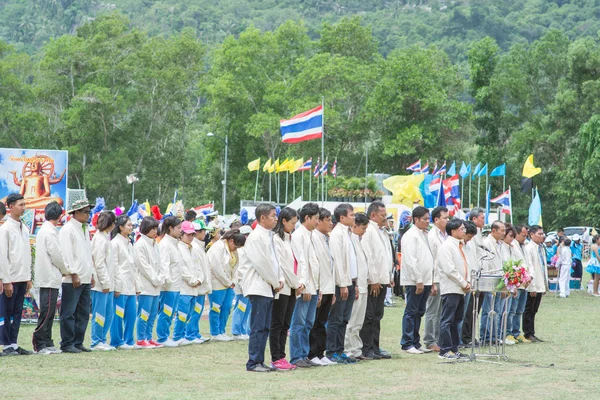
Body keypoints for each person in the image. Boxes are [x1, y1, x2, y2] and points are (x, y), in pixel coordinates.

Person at [242, 204, 283, 372]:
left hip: (267, 286)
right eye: (273, 215)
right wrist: (275, 281)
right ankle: (253, 362)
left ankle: (260, 360)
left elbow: (274, 261)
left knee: (265, 326)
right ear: (263, 218)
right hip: (259, 286)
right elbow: (262, 264)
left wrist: (278, 280)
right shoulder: (256, 237)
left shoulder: (268, 235)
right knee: (259, 326)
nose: (276, 218)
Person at [59, 198, 95, 353]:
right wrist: (73, 273)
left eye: (89, 212)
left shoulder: (84, 228)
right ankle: (67, 343)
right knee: (69, 312)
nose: (88, 215)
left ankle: (78, 341)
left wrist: (91, 274)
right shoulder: (68, 229)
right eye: (86, 212)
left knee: (83, 312)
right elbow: (66, 254)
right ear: (76, 213)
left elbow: (88, 254)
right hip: (72, 278)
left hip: (85, 276)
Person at [32, 201, 67, 355]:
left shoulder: (46, 230)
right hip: (48, 276)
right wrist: (65, 269)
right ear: (60, 216)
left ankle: (47, 341)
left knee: (51, 312)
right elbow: (56, 255)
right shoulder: (49, 232)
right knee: (47, 311)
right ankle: (39, 341)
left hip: (49, 276)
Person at [359, 201, 393, 360]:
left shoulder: (383, 231)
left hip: (383, 279)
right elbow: (369, 257)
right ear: (373, 215)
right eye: (382, 215)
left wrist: (388, 276)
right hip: (374, 281)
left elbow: (385, 256)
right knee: (370, 316)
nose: (385, 218)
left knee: (378, 316)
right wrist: (373, 279)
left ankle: (375, 346)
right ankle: (367, 348)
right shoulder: (369, 230)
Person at [0, 193, 33, 356]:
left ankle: (13, 343)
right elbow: (3, 256)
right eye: (21, 205)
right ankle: (6, 345)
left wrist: (28, 277)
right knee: (6, 312)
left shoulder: (25, 228)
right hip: (11, 278)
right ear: (11, 207)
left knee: (17, 311)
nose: (24, 208)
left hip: (22, 277)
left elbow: (27, 254)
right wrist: (6, 281)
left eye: (24, 204)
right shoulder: (5, 229)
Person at [289, 203, 321, 368]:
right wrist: (306, 287)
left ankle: (304, 353)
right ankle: (296, 356)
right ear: (307, 218)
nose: (317, 222)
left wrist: (317, 287)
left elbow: (315, 264)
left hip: (313, 285)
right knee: (299, 322)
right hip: (305, 286)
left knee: (308, 322)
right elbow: (301, 263)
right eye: (315, 218)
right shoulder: (298, 235)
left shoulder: (311, 235)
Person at [400, 206, 434, 354]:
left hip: (426, 279)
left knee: (420, 311)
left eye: (428, 218)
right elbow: (410, 260)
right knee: (411, 311)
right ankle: (407, 343)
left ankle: (415, 341)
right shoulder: (410, 235)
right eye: (425, 219)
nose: (427, 221)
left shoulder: (424, 234)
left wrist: (429, 280)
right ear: (416, 219)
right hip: (415, 281)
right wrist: (418, 280)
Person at [326, 204, 358, 364]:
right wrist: (343, 284)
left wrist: (355, 283)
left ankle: (340, 350)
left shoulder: (348, 233)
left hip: (351, 282)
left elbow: (352, 260)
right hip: (341, 284)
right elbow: (338, 261)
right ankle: (332, 352)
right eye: (351, 215)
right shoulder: (337, 234)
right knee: (336, 319)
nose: (354, 218)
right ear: (342, 217)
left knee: (344, 319)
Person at [270, 207, 300, 371]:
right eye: (292, 223)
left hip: (293, 287)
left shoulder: (290, 239)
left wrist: (299, 283)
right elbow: (283, 265)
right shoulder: (276, 239)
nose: (294, 226)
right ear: (284, 221)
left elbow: (297, 262)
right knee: (278, 323)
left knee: (286, 324)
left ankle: (282, 356)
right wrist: (296, 283)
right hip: (283, 287)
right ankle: (276, 357)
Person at [437, 219, 471, 360]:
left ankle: (454, 348)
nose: (464, 231)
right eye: (461, 229)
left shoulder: (459, 246)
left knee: (457, 320)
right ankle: (444, 350)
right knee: (447, 320)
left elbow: (464, 266)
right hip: (451, 288)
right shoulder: (447, 246)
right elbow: (449, 269)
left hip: (460, 288)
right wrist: (464, 283)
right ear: (453, 231)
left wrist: (467, 282)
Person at [308, 208, 336, 366]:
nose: (331, 224)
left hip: (328, 287)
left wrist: (332, 291)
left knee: (322, 323)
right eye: (328, 220)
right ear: (318, 221)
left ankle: (320, 352)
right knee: (314, 323)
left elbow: (330, 265)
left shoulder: (327, 239)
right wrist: (319, 289)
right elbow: (315, 265)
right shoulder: (314, 238)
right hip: (319, 287)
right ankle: (312, 353)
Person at [207, 229, 245, 341]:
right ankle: (215, 332)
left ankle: (222, 331)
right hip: (217, 283)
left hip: (229, 284)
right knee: (216, 308)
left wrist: (232, 282)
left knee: (227, 307)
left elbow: (236, 266)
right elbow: (216, 267)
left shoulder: (234, 251)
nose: (236, 249)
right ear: (231, 241)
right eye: (236, 246)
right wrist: (228, 282)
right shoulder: (218, 247)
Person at [173, 221, 206, 345]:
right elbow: (181, 269)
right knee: (181, 313)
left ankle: (186, 335)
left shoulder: (192, 248)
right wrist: (193, 280)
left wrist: (200, 279)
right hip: (184, 287)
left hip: (194, 288)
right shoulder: (179, 248)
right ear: (181, 235)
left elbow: (198, 266)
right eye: (188, 234)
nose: (191, 237)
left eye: (192, 234)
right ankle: (177, 336)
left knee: (190, 313)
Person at [344, 212, 370, 361]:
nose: (364, 232)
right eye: (363, 228)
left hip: (363, 285)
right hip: (357, 286)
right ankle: (348, 349)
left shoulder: (359, 240)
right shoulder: (351, 240)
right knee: (351, 321)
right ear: (355, 226)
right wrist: (356, 285)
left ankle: (356, 349)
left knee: (358, 322)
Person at [135, 216, 164, 348]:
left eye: (155, 228)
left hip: (156, 285)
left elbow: (160, 263)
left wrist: (161, 277)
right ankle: (141, 338)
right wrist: (156, 279)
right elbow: (144, 266)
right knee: (144, 313)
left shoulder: (155, 244)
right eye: (152, 228)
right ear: (145, 229)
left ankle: (149, 336)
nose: (154, 231)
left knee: (152, 314)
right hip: (145, 285)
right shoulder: (140, 244)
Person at [90, 211, 117, 351]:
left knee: (108, 314)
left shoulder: (106, 238)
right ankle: (96, 340)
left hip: (108, 284)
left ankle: (102, 339)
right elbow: (99, 263)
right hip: (101, 285)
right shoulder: (99, 239)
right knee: (99, 314)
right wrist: (105, 283)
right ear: (111, 224)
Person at [423, 206, 449, 352]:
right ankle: (429, 340)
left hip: (445, 278)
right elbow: (431, 260)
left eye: (448, 217)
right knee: (432, 311)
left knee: (441, 312)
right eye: (445, 218)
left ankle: (439, 339)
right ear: (436, 219)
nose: (447, 220)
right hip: (436, 278)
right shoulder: (432, 236)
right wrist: (432, 281)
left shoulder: (446, 235)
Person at [156, 216, 184, 347]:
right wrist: (167, 282)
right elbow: (164, 264)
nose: (180, 231)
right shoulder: (165, 244)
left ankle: (166, 335)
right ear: (170, 228)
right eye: (178, 228)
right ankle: (162, 337)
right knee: (166, 312)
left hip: (176, 285)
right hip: (169, 286)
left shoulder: (175, 243)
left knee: (171, 312)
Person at [461, 208, 486, 346]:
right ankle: (465, 337)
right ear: (474, 219)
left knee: (474, 310)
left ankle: (470, 335)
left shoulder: (479, 234)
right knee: (468, 310)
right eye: (482, 218)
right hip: (471, 277)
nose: (484, 220)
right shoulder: (469, 235)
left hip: (478, 274)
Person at [479, 221, 506, 345]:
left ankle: (494, 336)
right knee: (487, 310)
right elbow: (485, 265)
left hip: (499, 281)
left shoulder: (500, 244)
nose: (504, 233)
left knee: (497, 310)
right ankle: (485, 336)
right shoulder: (486, 243)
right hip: (489, 280)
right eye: (501, 230)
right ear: (493, 231)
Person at [505, 224, 531, 344]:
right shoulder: (513, 245)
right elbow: (515, 264)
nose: (525, 237)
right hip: (516, 282)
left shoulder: (524, 245)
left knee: (520, 310)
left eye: (526, 235)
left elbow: (527, 264)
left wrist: (529, 277)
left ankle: (516, 332)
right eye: (523, 235)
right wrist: (519, 279)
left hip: (524, 282)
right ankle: (508, 333)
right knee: (512, 310)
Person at [522, 225, 548, 342]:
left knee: (534, 310)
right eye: (539, 234)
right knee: (529, 310)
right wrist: (532, 286)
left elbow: (543, 267)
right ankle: (527, 333)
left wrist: (544, 285)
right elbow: (529, 267)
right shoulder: (528, 248)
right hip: (532, 284)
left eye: (543, 234)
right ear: (531, 235)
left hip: (540, 283)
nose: (542, 236)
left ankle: (532, 332)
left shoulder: (541, 248)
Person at [191, 220, 213, 342]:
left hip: (201, 284)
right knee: (195, 311)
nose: (205, 233)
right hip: (197, 285)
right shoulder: (195, 246)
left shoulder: (199, 245)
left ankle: (195, 332)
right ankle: (191, 333)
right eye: (203, 231)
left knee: (198, 311)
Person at [231, 224, 252, 340]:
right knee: (241, 307)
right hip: (241, 284)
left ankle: (243, 330)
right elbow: (240, 269)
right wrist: (242, 283)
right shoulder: (240, 251)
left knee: (247, 308)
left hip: (247, 284)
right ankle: (236, 331)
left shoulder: (247, 249)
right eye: (247, 235)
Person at [458, 220, 478, 346]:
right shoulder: (457, 245)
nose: (469, 239)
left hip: (470, 282)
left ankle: (462, 338)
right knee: (458, 315)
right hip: (460, 283)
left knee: (466, 313)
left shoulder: (469, 246)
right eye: (469, 237)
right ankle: (458, 339)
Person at [499, 225, 518, 346]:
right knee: (501, 311)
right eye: (510, 236)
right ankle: (500, 334)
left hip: (510, 282)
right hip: (503, 283)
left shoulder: (511, 247)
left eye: (513, 237)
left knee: (508, 310)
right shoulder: (501, 247)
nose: (512, 239)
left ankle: (505, 334)